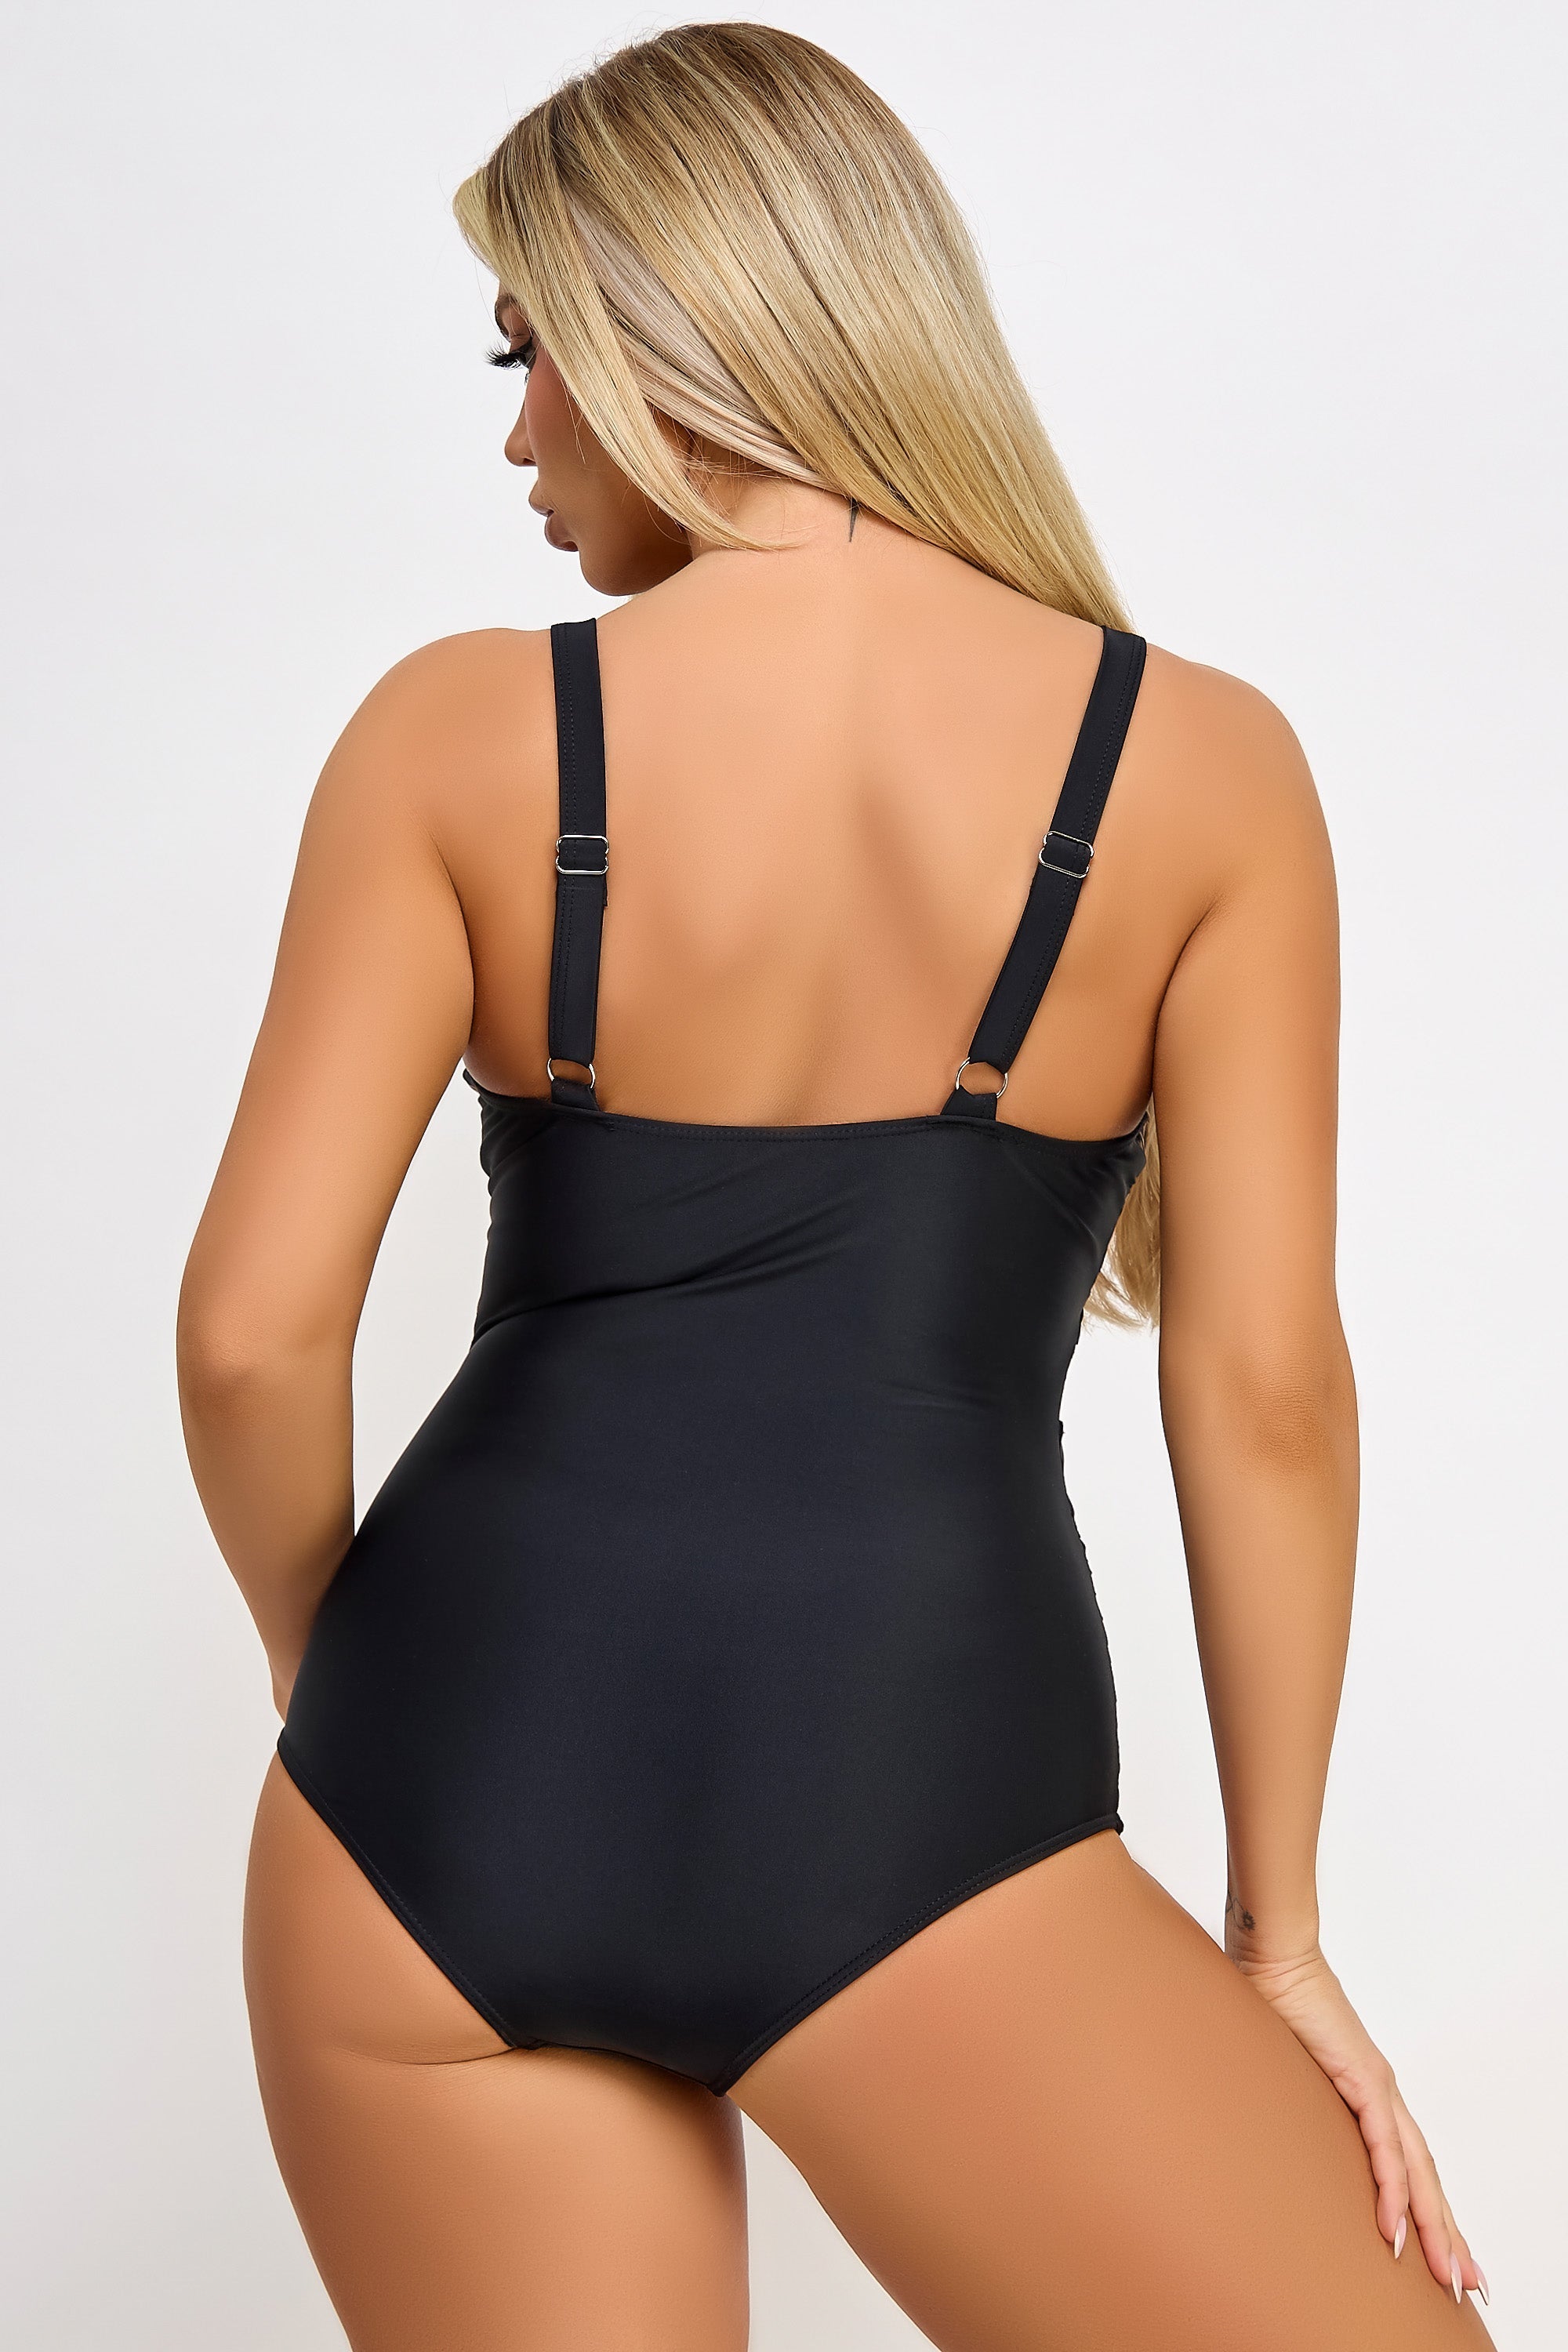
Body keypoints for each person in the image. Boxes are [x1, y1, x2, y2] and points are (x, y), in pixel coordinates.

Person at [176, 24, 1494, 2350]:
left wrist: (355, 1697)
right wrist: (1275, 1934)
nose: (518, 433)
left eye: (533, 354)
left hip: (431, 1790)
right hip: (916, 1785)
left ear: (680, 338)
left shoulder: (453, 733)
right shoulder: (1199, 767)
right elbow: (1265, 1393)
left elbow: (250, 1336)